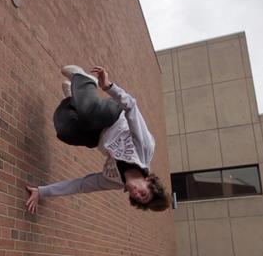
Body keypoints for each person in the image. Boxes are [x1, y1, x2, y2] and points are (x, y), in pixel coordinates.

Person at [25, 65, 171, 214]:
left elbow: (81, 185)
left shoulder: (113, 180)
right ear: (149, 182)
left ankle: (74, 97)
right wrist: (109, 87)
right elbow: (131, 107)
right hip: (113, 116)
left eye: (138, 199)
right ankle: (83, 80)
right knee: (89, 115)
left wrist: (42, 192)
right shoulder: (145, 148)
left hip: (99, 136)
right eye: (143, 194)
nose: (136, 194)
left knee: (65, 131)